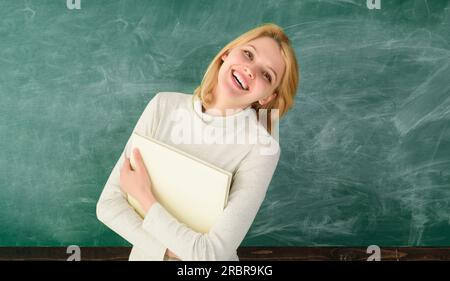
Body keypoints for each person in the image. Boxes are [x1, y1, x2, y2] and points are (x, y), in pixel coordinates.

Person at [96, 23, 299, 261]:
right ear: (227, 54)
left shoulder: (262, 148)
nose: (250, 69)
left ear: (267, 97)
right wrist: (175, 251)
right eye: (248, 54)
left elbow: (212, 255)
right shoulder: (163, 106)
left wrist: (145, 197)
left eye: (267, 75)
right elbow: (108, 206)